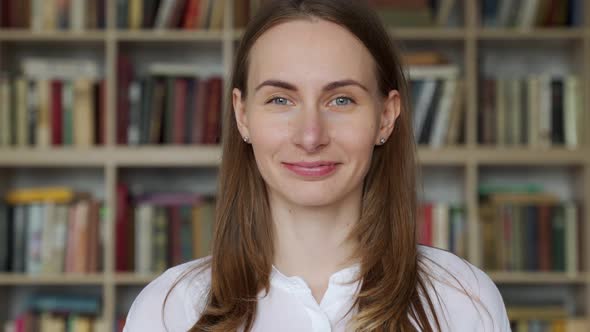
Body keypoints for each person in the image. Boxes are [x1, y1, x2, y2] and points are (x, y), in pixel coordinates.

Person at [123, 0, 511, 331]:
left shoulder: (463, 299)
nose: (310, 136)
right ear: (242, 115)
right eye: (280, 100)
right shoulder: (168, 311)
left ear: (386, 116)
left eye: (341, 100)